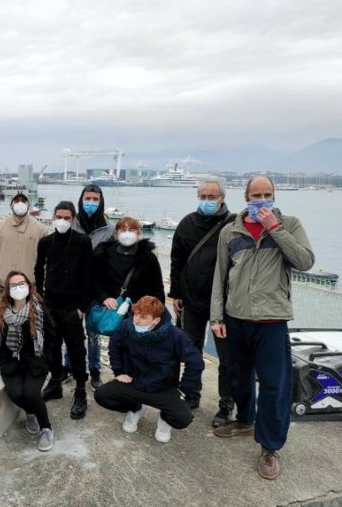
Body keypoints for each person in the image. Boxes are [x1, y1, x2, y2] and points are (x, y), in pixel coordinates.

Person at [210, 175, 315, 480]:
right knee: (238, 377)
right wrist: (216, 317)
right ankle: (245, 421)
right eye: (256, 195)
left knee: (273, 386)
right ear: (246, 196)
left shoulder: (290, 224)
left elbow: (305, 261)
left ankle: (269, 446)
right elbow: (220, 276)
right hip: (236, 317)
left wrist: (274, 228)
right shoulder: (231, 231)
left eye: (267, 194)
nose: (261, 200)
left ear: (274, 195)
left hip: (271, 320)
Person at [94, 296, 204, 443]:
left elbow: (196, 362)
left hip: (163, 387)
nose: (136, 320)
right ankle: (135, 408)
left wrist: (184, 388)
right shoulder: (126, 326)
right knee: (102, 395)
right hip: (134, 382)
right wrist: (120, 372)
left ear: (156, 320)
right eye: (136, 314)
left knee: (183, 419)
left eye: (143, 317)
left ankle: (164, 418)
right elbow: (114, 348)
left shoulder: (175, 335)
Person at [169, 180, 236, 420]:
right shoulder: (187, 223)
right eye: (203, 196)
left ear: (222, 198)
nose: (207, 201)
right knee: (191, 351)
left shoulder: (233, 224)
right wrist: (175, 293)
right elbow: (177, 259)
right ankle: (191, 393)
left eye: (212, 196)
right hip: (191, 298)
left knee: (226, 357)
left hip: (224, 303)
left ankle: (226, 404)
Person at [0, 270, 59, 451]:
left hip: (35, 361)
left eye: (21, 284)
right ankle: (31, 412)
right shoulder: (0, 310)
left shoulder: (38, 307)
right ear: (8, 289)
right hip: (11, 362)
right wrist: (0, 358)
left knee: (32, 393)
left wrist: (47, 359)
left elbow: (52, 335)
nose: (18, 288)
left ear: (28, 286)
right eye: (13, 285)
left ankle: (46, 428)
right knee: (16, 394)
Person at [34, 201, 92, 419]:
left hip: (73, 306)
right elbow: (38, 270)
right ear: (53, 218)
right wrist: (40, 296)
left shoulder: (83, 242)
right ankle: (55, 383)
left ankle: (80, 392)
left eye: (67, 218)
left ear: (73, 219)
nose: (63, 221)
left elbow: (88, 275)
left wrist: (82, 307)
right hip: (50, 303)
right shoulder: (46, 242)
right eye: (59, 216)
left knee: (77, 349)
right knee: (52, 347)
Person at [65, 184, 116, 390]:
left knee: (93, 334)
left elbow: (113, 261)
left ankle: (94, 371)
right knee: (72, 331)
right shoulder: (72, 225)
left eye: (95, 199)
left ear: (101, 201)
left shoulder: (109, 229)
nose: (91, 203)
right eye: (88, 198)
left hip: (96, 290)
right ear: (81, 199)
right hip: (74, 289)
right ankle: (69, 366)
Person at [0, 190, 49, 296]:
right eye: (17, 200)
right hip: (3, 288)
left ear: (28, 204)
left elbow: (47, 261)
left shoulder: (41, 230)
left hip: (31, 289)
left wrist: (41, 284)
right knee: (2, 313)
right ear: (11, 204)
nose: (20, 203)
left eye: (24, 200)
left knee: (31, 313)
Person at [93, 216, 166, 308]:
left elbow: (157, 287)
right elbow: (94, 281)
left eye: (131, 230)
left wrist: (157, 311)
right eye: (123, 230)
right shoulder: (104, 254)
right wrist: (104, 298)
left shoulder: (148, 257)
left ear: (138, 233)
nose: (127, 233)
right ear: (116, 233)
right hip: (111, 309)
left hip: (138, 311)